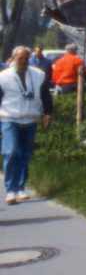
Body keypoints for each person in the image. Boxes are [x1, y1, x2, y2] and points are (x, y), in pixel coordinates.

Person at [0, 46, 53, 205]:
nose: (23, 61)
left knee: (25, 154)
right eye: (20, 58)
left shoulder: (38, 75)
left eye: (26, 59)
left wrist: (48, 113)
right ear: (13, 58)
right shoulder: (3, 77)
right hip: (10, 117)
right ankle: (10, 190)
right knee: (11, 152)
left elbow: (45, 95)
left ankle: (21, 188)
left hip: (30, 118)